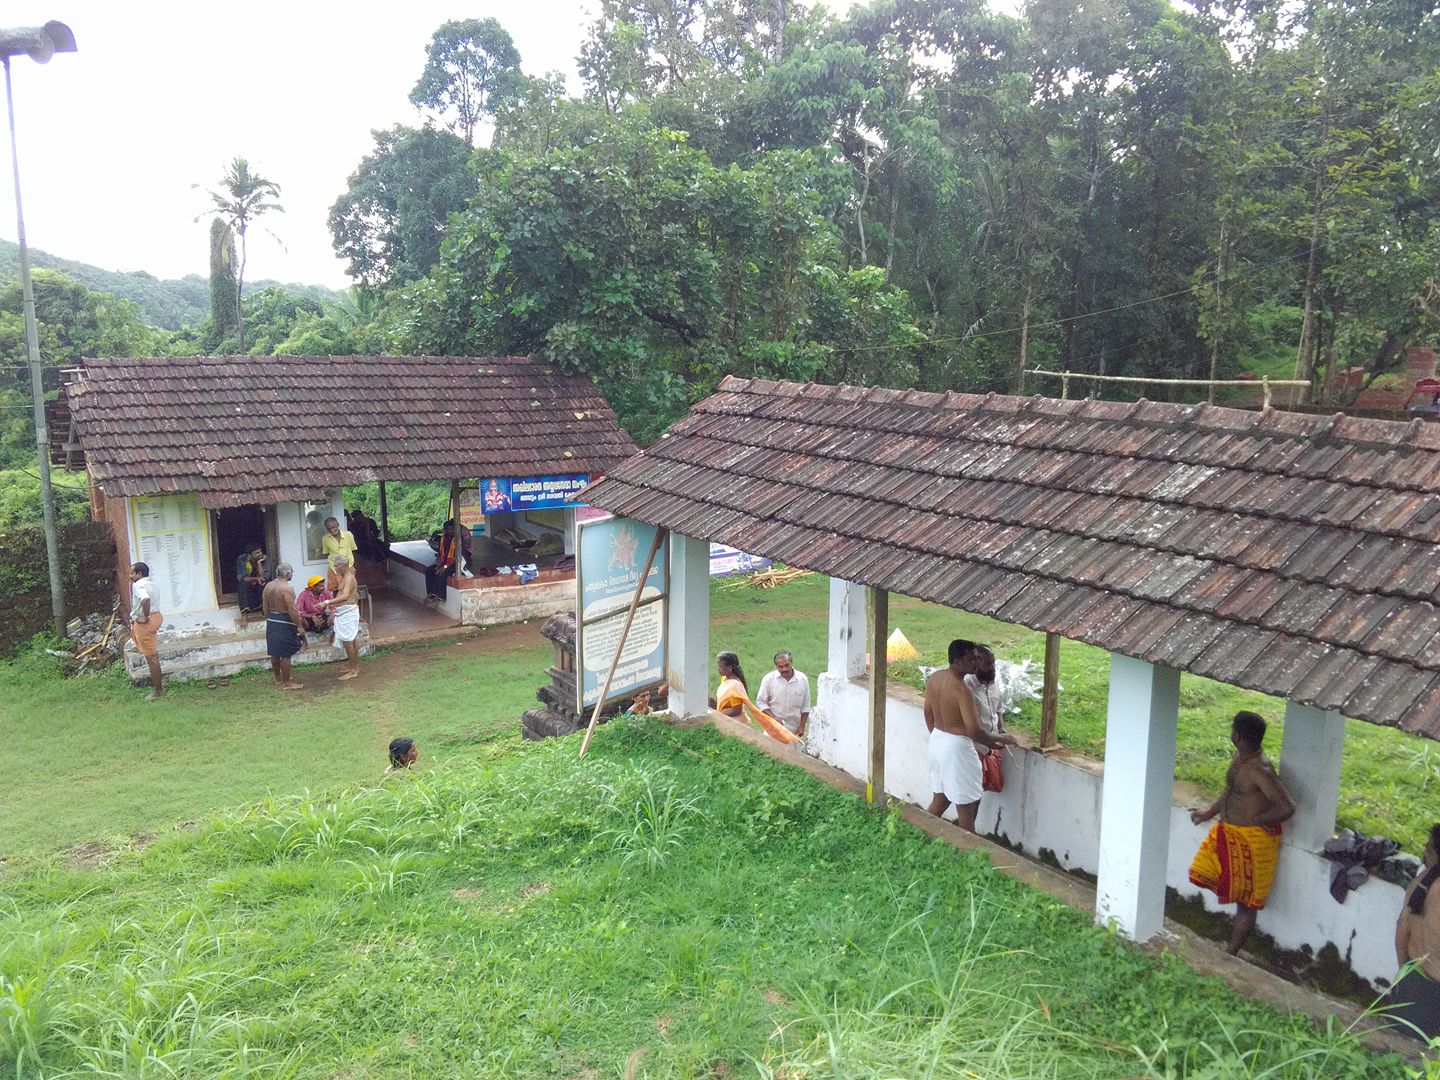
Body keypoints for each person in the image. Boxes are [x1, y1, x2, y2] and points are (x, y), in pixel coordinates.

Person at [1188, 710, 1296, 955]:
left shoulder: (1260, 769)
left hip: (1252, 841)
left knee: (1246, 903)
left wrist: (1259, 819)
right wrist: (1208, 813)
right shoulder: (1242, 759)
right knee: (1203, 871)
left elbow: (1287, 807)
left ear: (1237, 735)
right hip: (1229, 834)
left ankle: (1231, 953)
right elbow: (1231, 791)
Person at [924, 639, 1017, 832]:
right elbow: (974, 731)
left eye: (977, 658)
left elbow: (928, 713)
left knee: (940, 799)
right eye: (971, 659)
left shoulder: (935, 678)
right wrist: (998, 740)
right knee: (966, 807)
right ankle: (969, 854)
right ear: (957, 661)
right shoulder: (962, 689)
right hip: (957, 747)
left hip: (938, 740)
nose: (976, 663)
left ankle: (920, 833)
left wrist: (939, 736)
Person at [1387, 823, 1440, 1040]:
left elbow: (1401, 936)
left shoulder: (1421, 884)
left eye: (1428, 849)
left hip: (1413, 985)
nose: (1423, 854)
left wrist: (1404, 976)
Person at [713, 651, 800, 745]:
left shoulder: (735, 685)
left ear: (729, 668)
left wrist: (718, 713)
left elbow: (736, 710)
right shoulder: (725, 679)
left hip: (735, 724)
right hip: (726, 721)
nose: (718, 669)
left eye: (720, 666)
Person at [262, 562, 307, 691]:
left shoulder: (268, 586)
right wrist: (299, 625)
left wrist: (269, 617)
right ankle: (287, 682)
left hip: (271, 619)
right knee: (285, 653)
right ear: (287, 574)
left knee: (274, 652)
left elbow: (264, 608)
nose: (292, 575)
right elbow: (292, 609)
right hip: (284, 620)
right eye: (292, 572)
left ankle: (278, 679)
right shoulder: (287, 588)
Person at [125, 562, 164, 700]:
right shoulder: (152, 584)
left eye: (132, 573)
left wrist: (145, 616)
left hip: (146, 621)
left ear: (139, 574)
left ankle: (158, 692)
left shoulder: (138, 585)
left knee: (151, 658)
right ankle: (158, 689)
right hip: (156, 617)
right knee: (153, 655)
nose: (130, 576)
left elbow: (145, 599)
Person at [322, 553, 362, 681]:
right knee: (352, 639)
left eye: (336, 566)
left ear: (343, 566)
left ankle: (353, 670)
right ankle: (354, 667)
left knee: (348, 641)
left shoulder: (349, 578)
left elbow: (345, 596)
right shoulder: (344, 577)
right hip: (345, 612)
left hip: (348, 612)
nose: (335, 569)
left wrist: (327, 602)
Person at [755, 650, 811, 738]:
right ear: (776, 667)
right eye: (780, 667)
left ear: (792, 663)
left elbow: (806, 706)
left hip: (794, 731)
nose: (784, 669)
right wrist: (774, 718)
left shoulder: (802, 679)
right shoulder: (769, 679)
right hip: (773, 729)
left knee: (791, 752)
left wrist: (802, 726)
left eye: (787, 665)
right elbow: (761, 702)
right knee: (770, 751)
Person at [425, 521, 464, 603]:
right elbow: (441, 553)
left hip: (457, 564)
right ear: (445, 530)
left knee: (441, 573)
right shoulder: (442, 539)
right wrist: (439, 564)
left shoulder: (458, 539)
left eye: (453, 529)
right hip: (445, 562)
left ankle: (439, 596)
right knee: (429, 570)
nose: (452, 531)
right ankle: (430, 593)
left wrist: (445, 566)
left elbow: (457, 557)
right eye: (449, 529)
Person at [322, 516, 358, 591]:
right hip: (334, 568)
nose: (332, 530)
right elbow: (326, 553)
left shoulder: (348, 535)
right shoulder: (325, 539)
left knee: (349, 588)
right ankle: (336, 603)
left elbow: (353, 550)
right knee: (334, 589)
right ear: (326, 529)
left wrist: (352, 565)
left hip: (349, 566)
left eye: (333, 527)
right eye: (329, 529)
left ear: (338, 525)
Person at [235, 545, 269, 613]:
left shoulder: (265, 559)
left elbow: (264, 577)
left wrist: (259, 563)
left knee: (265, 582)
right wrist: (256, 579)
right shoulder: (242, 559)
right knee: (242, 584)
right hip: (248, 585)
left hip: (258, 585)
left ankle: (264, 608)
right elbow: (242, 578)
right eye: (257, 553)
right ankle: (245, 612)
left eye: (260, 551)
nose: (260, 554)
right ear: (250, 555)